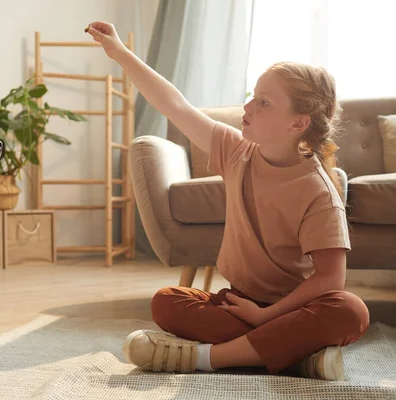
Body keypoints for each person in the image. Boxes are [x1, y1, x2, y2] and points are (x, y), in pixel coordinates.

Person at [85, 21, 370, 381]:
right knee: (166, 302)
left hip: (292, 309)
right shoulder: (237, 151)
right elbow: (176, 105)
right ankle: (299, 359)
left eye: (263, 102)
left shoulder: (318, 191)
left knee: (351, 311)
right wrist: (121, 55)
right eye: (253, 95)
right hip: (237, 302)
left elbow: (330, 279)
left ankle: (208, 358)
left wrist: (266, 317)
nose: (247, 105)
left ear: (297, 124)